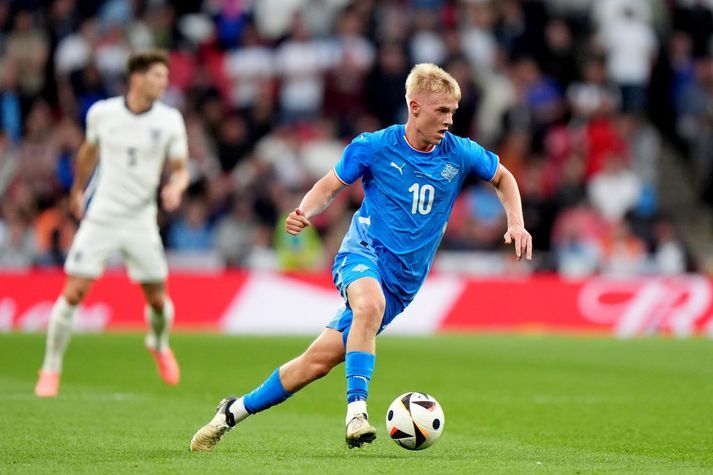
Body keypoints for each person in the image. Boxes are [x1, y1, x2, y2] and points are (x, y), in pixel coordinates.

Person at [189, 63, 532, 451]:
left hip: (403, 284)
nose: (449, 120)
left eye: (453, 111)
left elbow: (504, 177)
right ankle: (356, 412)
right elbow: (330, 184)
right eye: (441, 111)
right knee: (369, 304)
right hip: (362, 253)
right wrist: (306, 211)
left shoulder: (460, 152)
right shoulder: (374, 146)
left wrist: (516, 223)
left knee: (314, 364)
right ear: (414, 106)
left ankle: (233, 411)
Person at [34, 50, 189, 397]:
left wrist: (176, 188)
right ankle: (50, 368)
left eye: (165, 76)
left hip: (141, 219)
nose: (164, 82)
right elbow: (88, 154)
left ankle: (159, 343)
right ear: (137, 78)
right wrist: (76, 191)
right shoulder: (102, 113)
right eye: (157, 76)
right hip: (102, 214)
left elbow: (180, 167)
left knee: (159, 301)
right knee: (73, 292)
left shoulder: (169, 120)